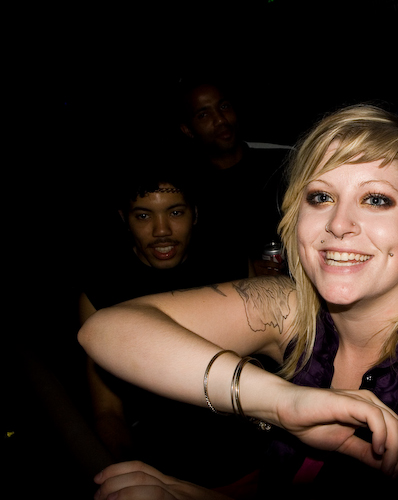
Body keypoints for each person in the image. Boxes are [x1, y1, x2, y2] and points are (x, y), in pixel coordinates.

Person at [79, 104, 398, 499]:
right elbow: (104, 332)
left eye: (375, 199)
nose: (339, 223)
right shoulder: (289, 308)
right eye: (321, 197)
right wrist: (279, 402)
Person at [78, 168, 271, 487]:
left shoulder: (229, 264)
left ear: (195, 214)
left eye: (176, 212)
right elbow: (108, 411)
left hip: (254, 455)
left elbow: (263, 362)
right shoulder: (104, 292)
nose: (161, 230)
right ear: (124, 218)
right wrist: (135, 475)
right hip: (167, 469)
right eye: (143, 216)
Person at [176, 78, 289, 278]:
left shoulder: (282, 164)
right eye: (203, 114)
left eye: (224, 106)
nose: (220, 119)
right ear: (187, 130)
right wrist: (241, 269)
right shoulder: (185, 187)